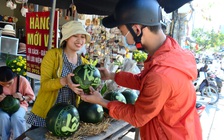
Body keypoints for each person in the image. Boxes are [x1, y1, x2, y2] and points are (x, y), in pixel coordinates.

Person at [80, 0, 202, 139]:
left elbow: (137, 117)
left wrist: (102, 101)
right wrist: (111, 75)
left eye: (122, 32)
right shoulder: (170, 53)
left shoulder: (161, 74)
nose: (122, 37)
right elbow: (143, 81)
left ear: (137, 29)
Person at [27, 21, 91, 128]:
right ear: (66, 38)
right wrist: (65, 81)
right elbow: (45, 85)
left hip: (69, 115)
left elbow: (85, 89)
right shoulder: (53, 55)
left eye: (83, 36)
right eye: (75, 35)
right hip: (48, 111)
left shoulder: (85, 63)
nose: (80, 40)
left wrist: (90, 89)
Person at [0, 66, 35, 140]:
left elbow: (31, 97)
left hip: (20, 105)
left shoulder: (22, 80)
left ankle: (19, 138)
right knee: (3, 117)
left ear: (14, 78)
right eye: (3, 84)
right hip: (2, 106)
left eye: (9, 83)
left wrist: (22, 97)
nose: (7, 86)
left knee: (16, 117)